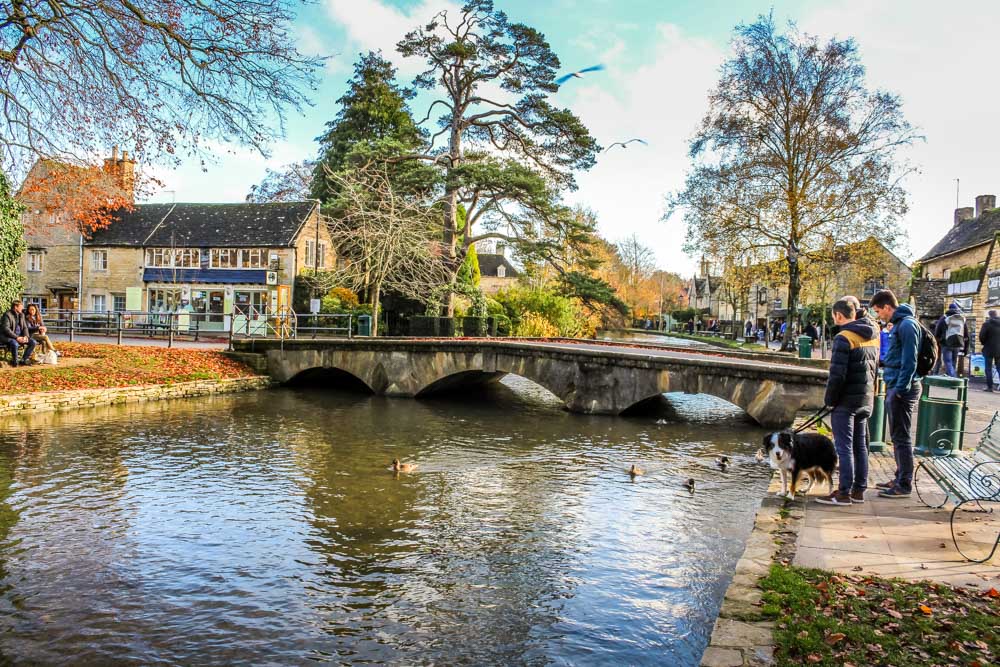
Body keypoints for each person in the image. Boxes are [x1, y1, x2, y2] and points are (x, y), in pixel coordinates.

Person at [816, 298, 878, 505]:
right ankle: (858, 491)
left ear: (839, 315)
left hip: (846, 401)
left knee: (844, 447)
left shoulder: (844, 337)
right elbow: (874, 368)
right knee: (861, 446)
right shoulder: (872, 334)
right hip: (865, 398)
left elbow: (837, 375)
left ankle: (843, 493)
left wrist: (830, 400)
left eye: (834, 316)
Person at [870, 289, 922, 498]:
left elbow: (910, 361)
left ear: (887, 307)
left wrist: (900, 389)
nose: (878, 315)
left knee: (901, 437)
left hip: (903, 389)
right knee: (897, 436)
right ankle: (899, 475)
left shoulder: (907, 325)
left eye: (878, 311)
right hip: (897, 385)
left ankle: (904, 484)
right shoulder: (901, 324)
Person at [935, 302, 970, 377]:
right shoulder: (962, 319)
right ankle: (951, 379)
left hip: (946, 343)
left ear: (949, 309)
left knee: (948, 362)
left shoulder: (944, 318)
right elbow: (966, 334)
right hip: (958, 343)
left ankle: (953, 378)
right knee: (953, 362)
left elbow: (937, 331)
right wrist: (966, 349)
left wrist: (940, 340)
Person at [1, 300, 37, 367]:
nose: (22, 308)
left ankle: (23, 360)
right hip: (8, 337)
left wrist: (26, 336)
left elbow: (25, 327)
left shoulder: (22, 315)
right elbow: (6, 329)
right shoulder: (7, 315)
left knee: (33, 342)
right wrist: (17, 337)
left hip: (20, 337)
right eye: (21, 306)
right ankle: (15, 362)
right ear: (15, 307)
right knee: (14, 343)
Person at [979, 309, 1000, 392]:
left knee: (988, 368)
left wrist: (984, 343)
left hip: (989, 349)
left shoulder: (987, 324)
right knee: (999, 368)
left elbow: (982, 336)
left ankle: (990, 387)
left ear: (989, 315)